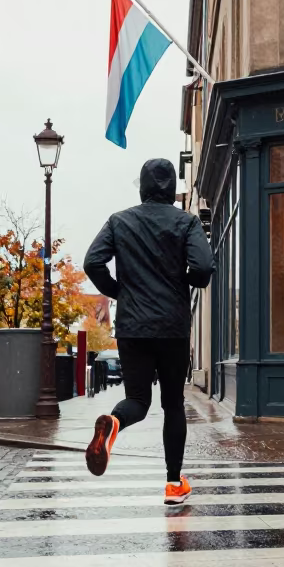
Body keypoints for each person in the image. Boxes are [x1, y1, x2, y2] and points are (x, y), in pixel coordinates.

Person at [83, 158, 214, 504]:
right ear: (172, 188)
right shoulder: (186, 222)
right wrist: (183, 281)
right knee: (173, 404)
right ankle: (173, 484)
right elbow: (202, 268)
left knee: (138, 400)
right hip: (172, 327)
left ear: (142, 186)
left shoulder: (119, 221)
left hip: (133, 326)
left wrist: (119, 291)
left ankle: (113, 422)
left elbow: (92, 262)